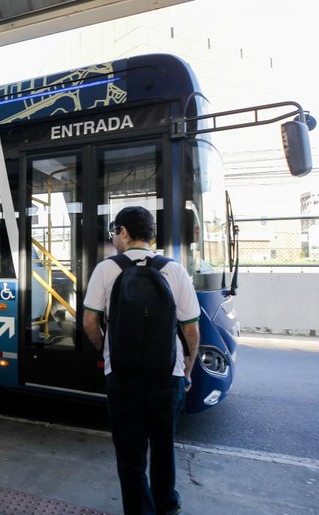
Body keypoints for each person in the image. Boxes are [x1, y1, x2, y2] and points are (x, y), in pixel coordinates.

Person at [82, 206, 200, 515]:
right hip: (167, 375)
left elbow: (89, 323)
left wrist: (107, 353)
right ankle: (166, 505)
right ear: (151, 235)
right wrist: (186, 369)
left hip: (122, 375)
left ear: (123, 232)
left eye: (115, 233)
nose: (114, 240)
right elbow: (191, 330)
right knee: (163, 447)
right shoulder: (175, 270)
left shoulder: (106, 269)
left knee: (130, 455)